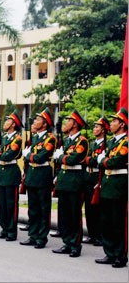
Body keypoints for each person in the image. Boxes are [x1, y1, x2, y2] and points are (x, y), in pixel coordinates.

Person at [52, 109, 88, 258]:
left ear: (74, 124)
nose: (65, 124)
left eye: (68, 122)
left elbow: (74, 159)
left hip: (75, 181)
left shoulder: (82, 141)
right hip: (65, 180)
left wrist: (61, 157)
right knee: (64, 214)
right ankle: (67, 242)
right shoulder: (67, 141)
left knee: (74, 214)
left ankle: (75, 244)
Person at [95, 107, 128, 268]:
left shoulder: (126, 142)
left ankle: (120, 255)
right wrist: (104, 160)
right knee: (106, 221)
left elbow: (116, 162)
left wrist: (102, 160)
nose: (111, 124)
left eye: (114, 121)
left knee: (118, 222)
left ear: (122, 124)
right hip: (108, 184)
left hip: (118, 185)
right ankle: (109, 252)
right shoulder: (112, 142)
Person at [20, 107, 56, 249]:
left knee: (43, 208)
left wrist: (28, 156)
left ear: (45, 124)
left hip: (42, 175)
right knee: (33, 208)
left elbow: (40, 158)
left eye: (38, 119)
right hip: (33, 175)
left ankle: (42, 237)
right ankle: (33, 235)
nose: (35, 121)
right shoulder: (35, 138)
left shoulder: (50, 138)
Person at [0, 109, 23, 241]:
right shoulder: (4, 138)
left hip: (11, 171)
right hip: (3, 172)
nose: (5, 123)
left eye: (8, 120)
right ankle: (4, 228)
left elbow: (7, 155)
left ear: (13, 124)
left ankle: (11, 231)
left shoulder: (17, 139)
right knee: (3, 203)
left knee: (11, 204)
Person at [82, 116, 109, 247]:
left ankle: (100, 235)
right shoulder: (92, 144)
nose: (94, 129)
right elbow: (87, 160)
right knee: (88, 208)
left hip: (98, 177)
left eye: (97, 127)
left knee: (98, 209)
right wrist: (91, 160)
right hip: (88, 176)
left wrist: (91, 160)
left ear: (103, 130)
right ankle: (92, 234)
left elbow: (95, 161)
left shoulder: (107, 144)